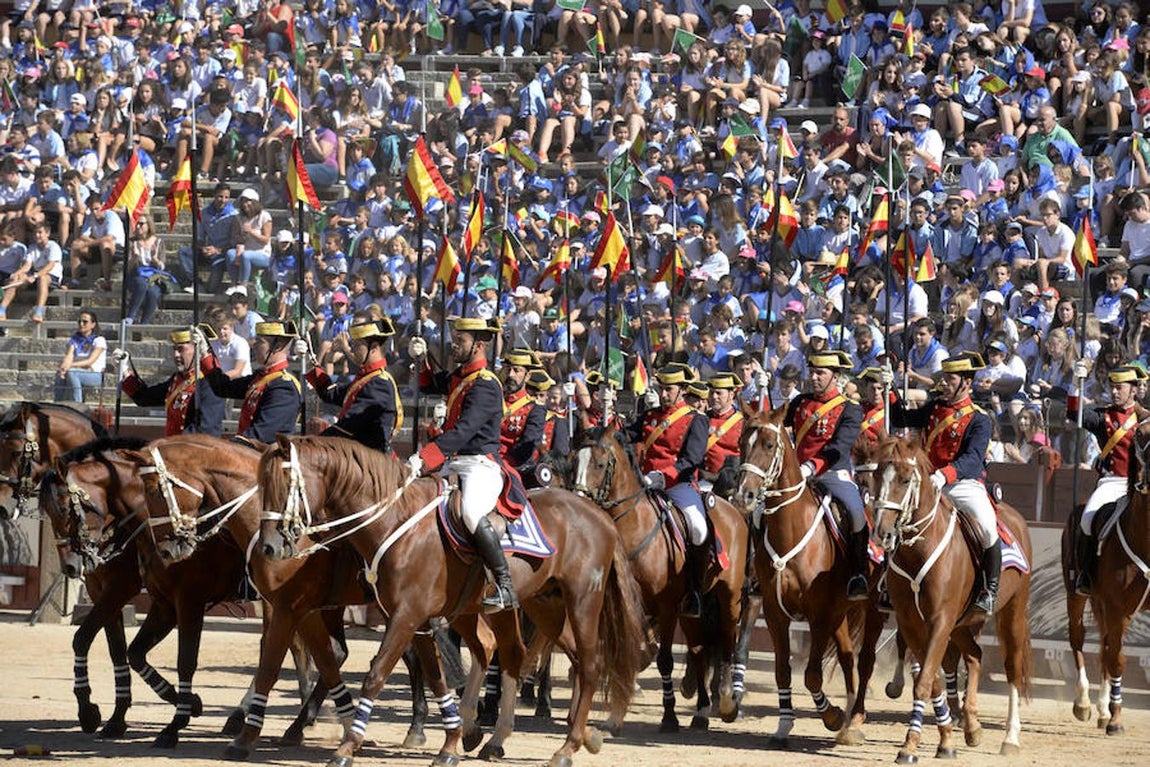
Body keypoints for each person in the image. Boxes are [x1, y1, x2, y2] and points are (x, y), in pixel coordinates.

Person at [406, 317, 520, 613]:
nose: (454, 345)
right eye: (454, 339)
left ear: (478, 345)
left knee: (470, 512)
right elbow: (433, 382)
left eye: (461, 341)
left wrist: (426, 456)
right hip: (454, 463)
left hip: (479, 464)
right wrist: (422, 358)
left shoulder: (485, 386)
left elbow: (464, 431)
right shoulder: (463, 376)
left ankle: (505, 585)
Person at [889, 351, 1000, 615]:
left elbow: (973, 459)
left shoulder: (979, 419)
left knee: (987, 527)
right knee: (894, 520)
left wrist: (945, 475)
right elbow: (900, 419)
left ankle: (989, 589)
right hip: (926, 483)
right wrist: (890, 387)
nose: (945, 383)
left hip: (961, 484)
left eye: (950, 379)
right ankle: (889, 583)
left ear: (967, 383)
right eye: (945, 378)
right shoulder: (934, 408)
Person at [785, 350, 868, 600]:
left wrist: (811, 467)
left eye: (820, 373)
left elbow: (839, 448)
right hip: (798, 473)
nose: (814, 377)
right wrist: (765, 394)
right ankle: (754, 572)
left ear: (836, 376)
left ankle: (858, 572)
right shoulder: (800, 401)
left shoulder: (850, 409)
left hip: (832, 472)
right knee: (758, 512)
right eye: (812, 371)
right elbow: (777, 425)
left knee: (856, 514)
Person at [630, 363, 710, 617]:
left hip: (677, 486)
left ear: (682, 391)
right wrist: (611, 413)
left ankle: (694, 590)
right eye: (661, 389)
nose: (664, 394)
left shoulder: (696, 420)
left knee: (698, 528)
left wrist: (665, 477)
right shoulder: (650, 416)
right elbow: (623, 436)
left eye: (669, 390)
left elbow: (692, 459)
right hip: (643, 484)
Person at [1067, 364, 1147, 595]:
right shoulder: (1104, 417)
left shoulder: (1146, 420)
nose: (1114, 393)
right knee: (1086, 520)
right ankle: (1087, 573)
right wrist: (1075, 382)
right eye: (1112, 388)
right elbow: (1075, 414)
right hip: (1113, 483)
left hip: (1141, 485)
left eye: (1119, 388)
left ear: (1133, 390)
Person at [191, 319, 302, 447]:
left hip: (265, 460)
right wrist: (205, 352)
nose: (253, 345)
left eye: (260, 341)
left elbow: (261, 434)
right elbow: (222, 387)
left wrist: (224, 447)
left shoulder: (284, 387)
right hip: (248, 456)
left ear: (277, 347)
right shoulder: (262, 378)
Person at [305, 316, 402, 454]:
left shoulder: (379, 384)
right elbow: (331, 393)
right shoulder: (367, 378)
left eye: (357, 345)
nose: (352, 349)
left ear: (373, 348)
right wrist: (311, 365)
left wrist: (310, 446)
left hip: (372, 464)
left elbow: (347, 427)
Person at [115, 329, 225, 436]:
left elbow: (206, 429)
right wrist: (124, 371)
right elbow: (145, 397)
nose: (176, 355)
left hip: (195, 450)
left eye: (181, 349)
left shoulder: (209, 383)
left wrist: (171, 446)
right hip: (174, 449)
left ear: (198, 350)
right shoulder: (178, 380)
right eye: (174, 349)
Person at [498, 348, 546, 471]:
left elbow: (526, 447)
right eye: (508, 369)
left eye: (516, 370)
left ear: (527, 376)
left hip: (512, 464)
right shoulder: (494, 399)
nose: (510, 375)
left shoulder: (535, 409)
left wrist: (502, 463)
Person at [702, 372, 745, 500]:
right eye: (711, 393)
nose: (714, 397)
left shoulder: (742, 422)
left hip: (732, 485)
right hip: (705, 481)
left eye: (719, 393)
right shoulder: (702, 419)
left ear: (731, 395)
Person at [53, 309, 107, 403]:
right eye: (79, 321)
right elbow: (69, 356)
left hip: (94, 374)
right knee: (60, 373)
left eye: (85, 322)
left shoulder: (99, 340)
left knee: (72, 372)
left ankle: (77, 404)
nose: (81, 324)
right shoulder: (75, 339)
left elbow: (90, 361)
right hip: (79, 370)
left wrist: (71, 365)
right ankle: (58, 403)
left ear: (93, 325)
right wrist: (64, 367)